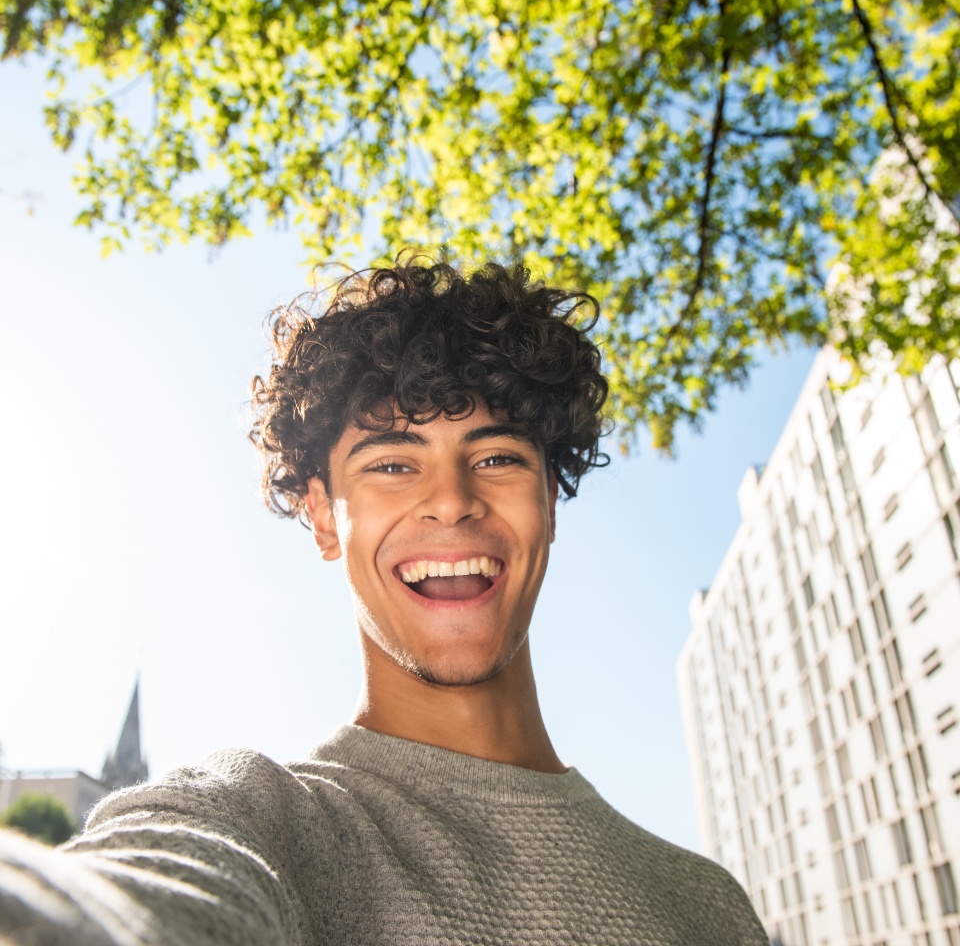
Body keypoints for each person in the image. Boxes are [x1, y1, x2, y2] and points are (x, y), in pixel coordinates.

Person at [0, 254, 767, 945]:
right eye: (393, 465)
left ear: (551, 505)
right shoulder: (261, 821)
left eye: (496, 456)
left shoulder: (710, 906)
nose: (452, 501)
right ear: (323, 517)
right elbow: (136, 897)